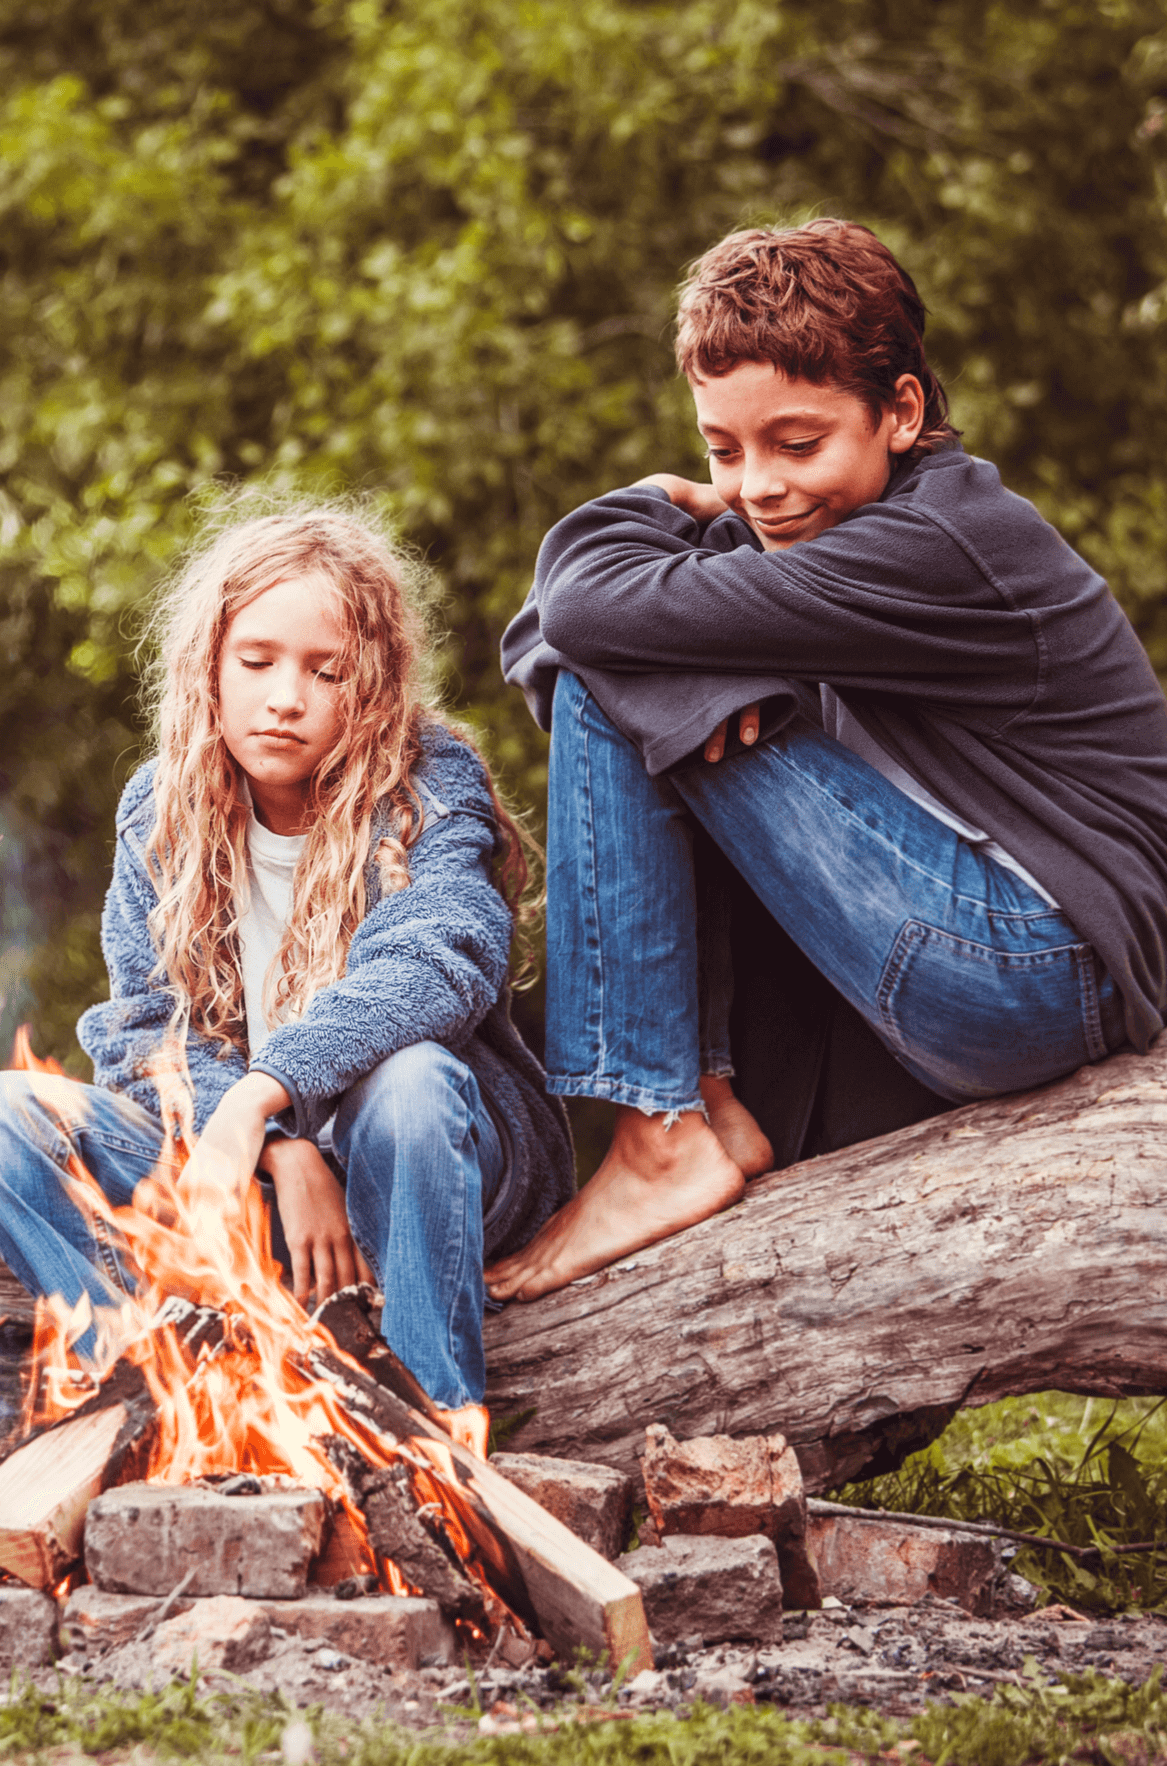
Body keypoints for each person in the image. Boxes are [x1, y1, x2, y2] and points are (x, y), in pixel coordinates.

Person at [485, 218, 1167, 1304]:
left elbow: (577, 615)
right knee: (630, 670)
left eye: (796, 444)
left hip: (1032, 966)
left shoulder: (942, 541)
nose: (757, 487)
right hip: (957, 965)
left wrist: (650, 510)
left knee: (626, 679)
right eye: (721, 451)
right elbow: (551, 635)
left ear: (899, 411)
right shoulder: (805, 529)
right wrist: (681, 673)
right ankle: (695, 1105)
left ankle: (662, 1128)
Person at [0, 501, 574, 1425]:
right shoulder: (161, 807)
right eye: (258, 662)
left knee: (407, 1078)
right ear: (209, 666)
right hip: (245, 1186)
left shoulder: (427, 784)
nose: (286, 697)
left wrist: (262, 1096)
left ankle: (432, 1432)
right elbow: (145, 1028)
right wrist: (279, 1154)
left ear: (376, 689)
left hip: (423, 1169)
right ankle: (152, 1400)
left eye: (328, 673)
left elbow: (441, 960)